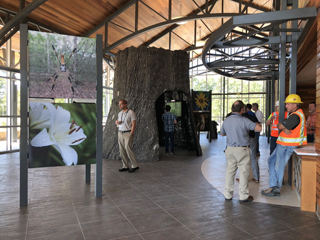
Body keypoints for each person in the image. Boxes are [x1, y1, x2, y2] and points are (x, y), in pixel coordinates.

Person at [261, 94, 307, 197]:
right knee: (271, 161)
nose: (286, 106)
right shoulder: (294, 114)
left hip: (287, 145)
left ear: (295, 104)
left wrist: (283, 127)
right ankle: (274, 186)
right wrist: (283, 127)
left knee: (279, 165)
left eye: (288, 104)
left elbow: (280, 125)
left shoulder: (296, 116)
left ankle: (275, 188)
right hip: (283, 144)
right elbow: (277, 125)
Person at [220, 100, 262, 202]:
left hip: (229, 149)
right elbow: (259, 128)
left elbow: (222, 134)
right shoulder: (244, 120)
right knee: (244, 172)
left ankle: (228, 194)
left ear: (232, 109)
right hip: (242, 149)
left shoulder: (226, 120)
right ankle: (243, 196)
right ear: (242, 109)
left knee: (230, 172)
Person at [115, 99, 139, 173]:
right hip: (120, 132)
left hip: (127, 133)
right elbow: (119, 122)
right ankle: (125, 166)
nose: (120, 105)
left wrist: (131, 133)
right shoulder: (119, 114)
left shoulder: (131, 113)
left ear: (126, 104)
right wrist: (117, 122)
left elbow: (134, 124)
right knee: (122, 150)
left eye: (121, 104)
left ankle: (135, 165)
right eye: (119, 104)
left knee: (128, 149)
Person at [242, 106, 260, 183]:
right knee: (253, 158)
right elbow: (259, 127)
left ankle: (243, 178)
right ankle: (256, 178)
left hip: (242, 140)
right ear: (247, 110)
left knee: (242, 159)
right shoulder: (252, 116)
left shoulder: (240, 118)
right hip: (252, 138)